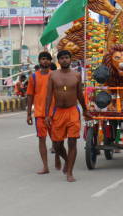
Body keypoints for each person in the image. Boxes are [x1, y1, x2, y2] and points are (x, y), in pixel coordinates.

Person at [45, 50, 91, 182]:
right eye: (62, 58)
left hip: (72, 112)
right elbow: (49, 96)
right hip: (58, 112)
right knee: (58, 145)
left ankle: (70, 172)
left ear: (70, 59)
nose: (64, 60)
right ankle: (66, 160)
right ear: (58, 61)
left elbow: (80, 95)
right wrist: (47, 114)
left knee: (72, 142)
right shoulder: (53, 75)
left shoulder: (76, 75)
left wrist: (85, 109)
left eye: (67, 57)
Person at [26, 52, 62, 175]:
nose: (45, 61)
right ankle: (45, 166)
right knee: (42, 139)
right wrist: (28, 114)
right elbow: (30, 95)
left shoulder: (56, 76)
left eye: (47, 59)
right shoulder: (33, 77)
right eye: (42, 59)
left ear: (50, 61)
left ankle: (58, 156)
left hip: (54, 113)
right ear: (39, 61)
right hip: (39, 114)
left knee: (56, 140)